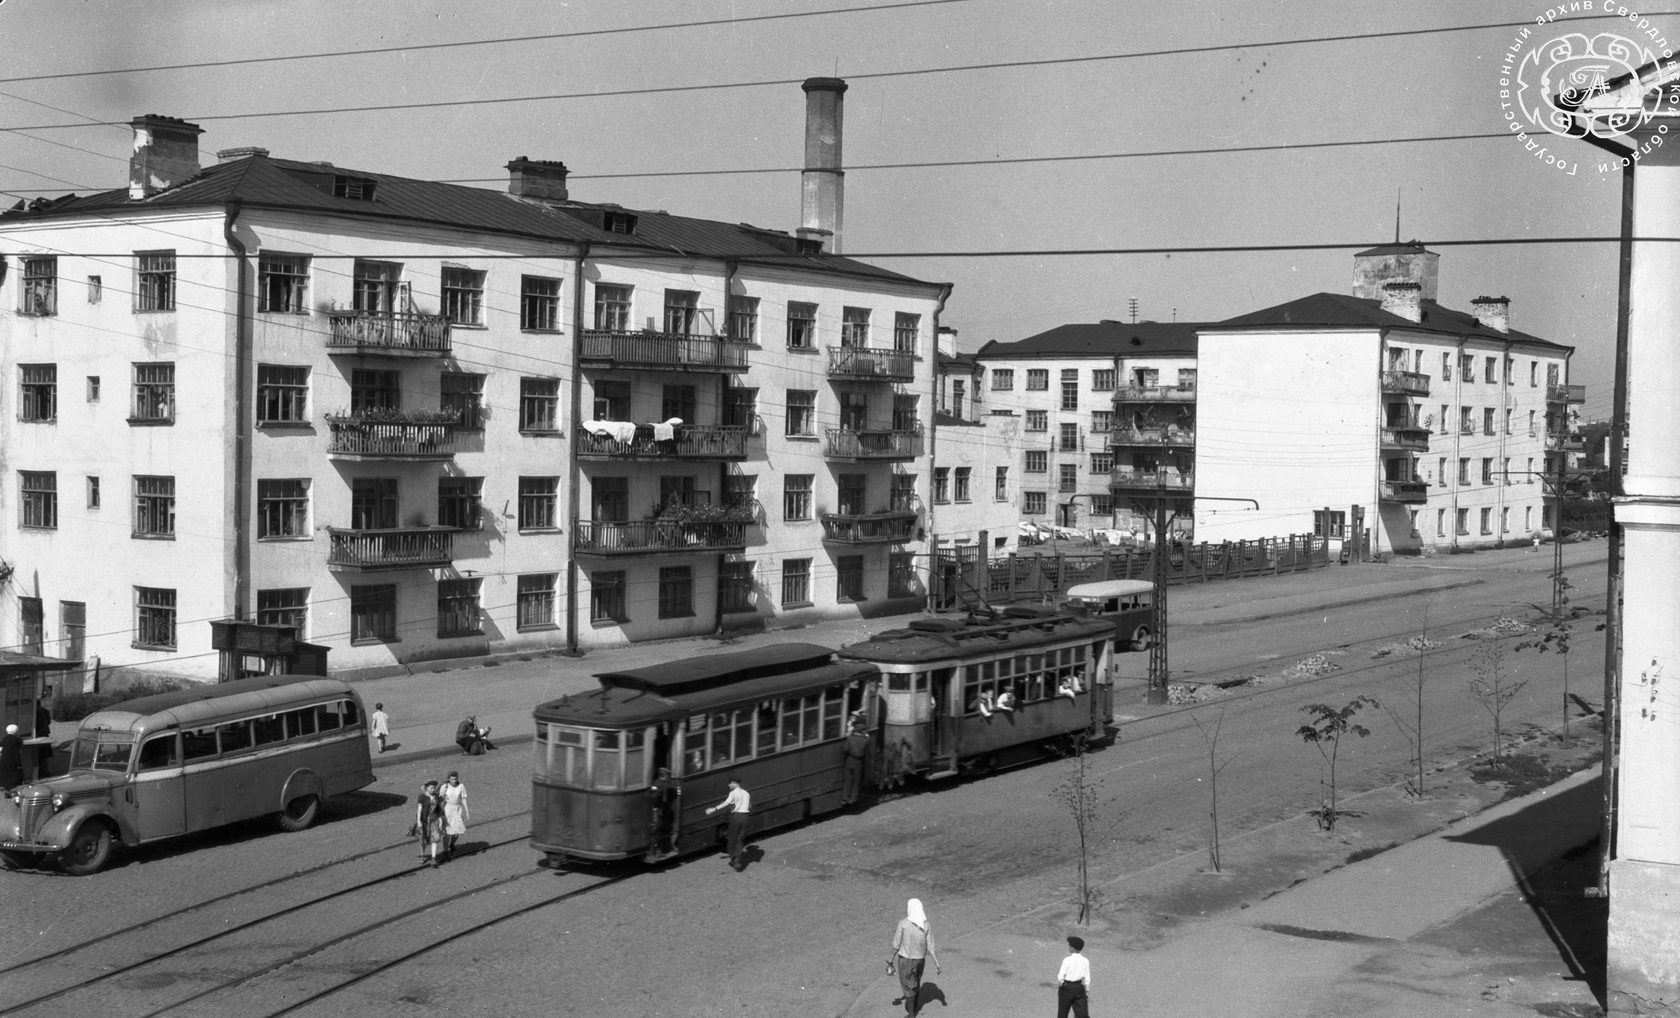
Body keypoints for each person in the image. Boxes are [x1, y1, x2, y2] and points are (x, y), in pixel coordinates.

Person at [888, 898, 940, 1018]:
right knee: (916, 981)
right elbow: (931, 945)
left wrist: (890, 960)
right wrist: (937, 962)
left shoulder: (903, 923)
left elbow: (896, 944)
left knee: (908, 986)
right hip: (920, 960)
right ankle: (915, 1004)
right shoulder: (926, 925)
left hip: (905, 960)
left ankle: (911, 1014)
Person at [704, 778, 751, 870]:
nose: (729, 786)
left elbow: (726, 803)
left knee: (732, 838)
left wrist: (713, 809)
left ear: (735, 783)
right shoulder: (746, 793)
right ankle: (736, 859)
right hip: (745, 817)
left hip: (736, 817)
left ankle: (734, 859)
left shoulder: (733, 793)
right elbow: (750, 806)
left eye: (730, 784)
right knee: (740, 839)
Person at [1055, 934, 1091, 1018]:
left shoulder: (1067, 960)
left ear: (1072, 948)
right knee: (1082, 1015)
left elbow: (1061, 976)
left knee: (1062, 1013)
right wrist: (1087, 990)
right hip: (1079, 988)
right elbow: (1087, 978)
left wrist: (1061, 983)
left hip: (1066, 988)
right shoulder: (1085, 961)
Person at [413, 779, 445, 868]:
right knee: (422, 840)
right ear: (427, 788)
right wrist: (419, 821)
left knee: (434, 839)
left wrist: (440, 820)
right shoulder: (422, 796)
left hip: (434, 820)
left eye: (434, 788)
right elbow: (419, 809)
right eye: (431, 788)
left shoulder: (435, 796)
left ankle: (434, 859)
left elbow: (439, 808)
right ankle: (423, 854)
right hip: (424, 821)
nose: (433, 789)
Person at [650, 767, 680, 856]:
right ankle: (656, 850)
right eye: (668, 776)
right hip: (657, 811)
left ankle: (665, 848)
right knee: (656, 830)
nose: (669, 778)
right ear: (663, 776)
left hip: (662, 811)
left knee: (662, 828)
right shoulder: (657, 784)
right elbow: (654, 798)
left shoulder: (663, 784)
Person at [440, 771, 469, 860]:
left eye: (455, 779)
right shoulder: (444, 786)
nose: (454, 781)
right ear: (449, 779)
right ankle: (445, 852)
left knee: (456, 832)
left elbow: (463, 799)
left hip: (457, 809)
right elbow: (440, 798)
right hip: (447, 809)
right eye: (452, 779)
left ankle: (452, 844)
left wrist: (467, 811)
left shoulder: (461, 786)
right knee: (447, 833)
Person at [842, 717, 870, 805]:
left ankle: (845, 797)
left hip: (849, 760)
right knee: (856, 781)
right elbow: (867, 747)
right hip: (859, 762)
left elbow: (845, 749)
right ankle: (853, 799)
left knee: (848, 780)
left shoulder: (850, 738)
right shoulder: (864, 740)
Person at [0, 724, 22, 792]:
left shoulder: (4, 739)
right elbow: (16, 753)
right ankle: (13, 792)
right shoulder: (16, 740)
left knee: (5, 777)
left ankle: (6, 791)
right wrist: (19, 764)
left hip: (3, 760)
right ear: (16, 732)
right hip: (12, 762)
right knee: (13, 778)